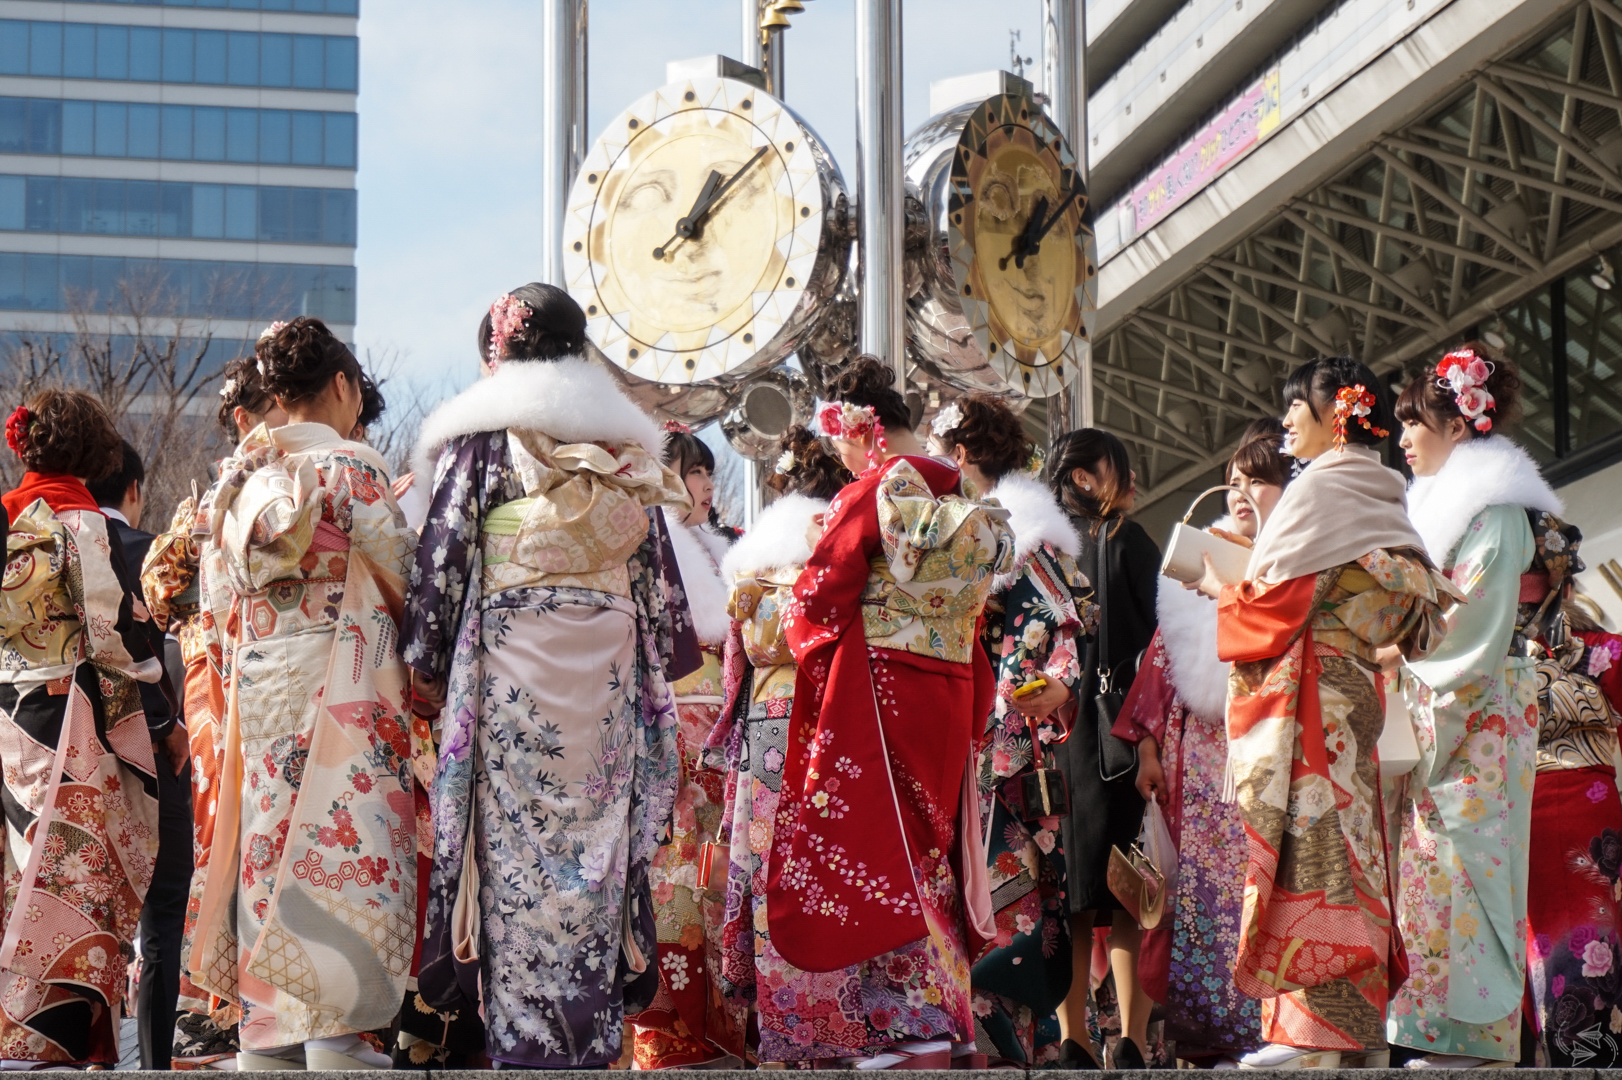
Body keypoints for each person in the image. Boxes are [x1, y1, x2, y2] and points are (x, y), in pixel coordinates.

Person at [400, 284, 694, 1069]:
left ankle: (524, 1040)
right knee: (596, 851)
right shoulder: (627, 452)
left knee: (515, 854)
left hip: (515, 672)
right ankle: (590, 1040)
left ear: (500, 352)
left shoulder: (488, 439)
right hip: (605, 679)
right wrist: (658, 663)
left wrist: (423, 665)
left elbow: (445, 556)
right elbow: (659, 587)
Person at [1189, 355, 1460, 1069]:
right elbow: (1411, 607)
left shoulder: (1321, 493)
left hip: (1310, 694)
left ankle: (1312, 1034)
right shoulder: (1383, 491)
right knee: (1359, 853)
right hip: (1356, 694)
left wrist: (1222, 588)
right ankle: (1360, 1030)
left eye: (1294, 408)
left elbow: (1278, 605)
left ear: (1334, 415)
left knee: (1312, 852)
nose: (1283, 424)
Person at [761, 356, 1011, 1068]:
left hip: (881, 688)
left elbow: (815, 602)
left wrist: (792, 624)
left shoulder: (874, 490)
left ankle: (911, 1016)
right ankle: (950, 1009)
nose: (835, 450)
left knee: (877, 843)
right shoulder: (962, 498)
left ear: (859, 428)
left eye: (838, 434)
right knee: (932, 844)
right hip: (948, 683)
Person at [187, 317, 421, 1070]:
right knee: (346, 841)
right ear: (346, 388)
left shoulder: (239, 481)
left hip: (262, 685)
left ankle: (269, 1034)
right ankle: (338, 1034)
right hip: (346, 676)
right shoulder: (354, 468)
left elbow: (216, 610)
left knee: (270, 844)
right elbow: (402, 581)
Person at [1386, 346, 1550, 1066]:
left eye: (1413, 423)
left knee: (1472, 865)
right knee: (1431, 866)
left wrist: (1395, 659)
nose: (1402, 438)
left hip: (1473, 709)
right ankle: (1431, 1029)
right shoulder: (1447, 510)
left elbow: (1472, 631)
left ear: (1458, 425)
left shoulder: (1496, 514)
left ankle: (1474, 1038)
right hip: (1447, 710)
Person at [1113, 419, 1292, 1066]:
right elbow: (1164, 653)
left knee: (1261, 879)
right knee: (1202, 892)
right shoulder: (1206, 550)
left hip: (1268, 734)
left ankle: (1272, 1025)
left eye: (1258, 480)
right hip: (1201, 750)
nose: (1241, 492)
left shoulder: (1295, 552)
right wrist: (1150, 749)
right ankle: (1206, 1029)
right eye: (1235, 480)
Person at [0, 390, 164, 1065]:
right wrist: (160, 710)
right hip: (72, 718)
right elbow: (117, 636)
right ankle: (46, 1039)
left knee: (16, 866)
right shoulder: (83, 522)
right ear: (93, 450)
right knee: (70, 872)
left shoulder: (9, 514)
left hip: (8, 710)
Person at [934, 395, 1096, 1067]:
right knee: (996, 892)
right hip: (977, 735)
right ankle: (1017, 1040)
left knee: (1016, 893)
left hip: (1009, 743)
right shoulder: (988, 533)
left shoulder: (1022, 538)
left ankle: (1014, 1041)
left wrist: (1055, 684)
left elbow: (1069, 626)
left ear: (962, 455)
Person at [140, 356, 286, 1068]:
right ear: (248, 416)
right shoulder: (258, 478)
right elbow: (161, 586)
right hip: (227, 665)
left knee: (236, 819)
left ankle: (230, 993)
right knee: (226, 819)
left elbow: (159, 586)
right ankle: (223, 994)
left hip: (227, 662)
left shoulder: (241, 484)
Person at [707, 425, 852, 1064]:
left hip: (767, 720)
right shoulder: (840, 547)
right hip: (828, 712)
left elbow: (737, 658)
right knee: (828, 861)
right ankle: (838, 1017)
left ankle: (783, 1022)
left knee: (771, 866)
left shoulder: (752, 560)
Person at [1045, 428, 1160, 1069]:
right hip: (1120, 734)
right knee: (1127, 893)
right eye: (1120, 469)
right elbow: (1162, 644)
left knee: (1068, 895)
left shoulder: (1043, 550)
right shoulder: (1127, 543)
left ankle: (1074, 1042)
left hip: (1054, 738)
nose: (1132, 482)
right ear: (1087, 478)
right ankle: (1133, 1042)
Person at [630, 425, 744, 1069]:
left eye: (706, 473)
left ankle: (718, 1030)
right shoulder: (645, 542)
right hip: (670, 731)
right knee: (671, 880)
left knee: (715, 877)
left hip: (716, 738)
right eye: (694, 471)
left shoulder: (714, 547)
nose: (705, 484)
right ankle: (670, 1037)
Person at [87, 440, 193, 1072]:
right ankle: (153, 1065)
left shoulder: (47, 547)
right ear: (134, 489)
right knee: (161, 927)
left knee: (94, 914)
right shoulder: (158, 557)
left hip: (78, 757)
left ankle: (94, 1057)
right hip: (158, 753)